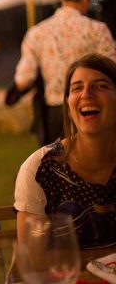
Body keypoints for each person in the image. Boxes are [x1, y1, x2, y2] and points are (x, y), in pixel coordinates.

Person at [14, 53, 116, 250]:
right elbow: (34, 265)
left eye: (101, 86)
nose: (86, 94)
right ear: (69, 107)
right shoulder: (39, 169)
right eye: (77, 88)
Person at [13, 0, 116, 145]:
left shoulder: (37, 33)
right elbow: (112, 69)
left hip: (55, 114)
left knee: (56, 166)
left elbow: (24, 79)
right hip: (90, 109)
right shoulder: (97, 30)